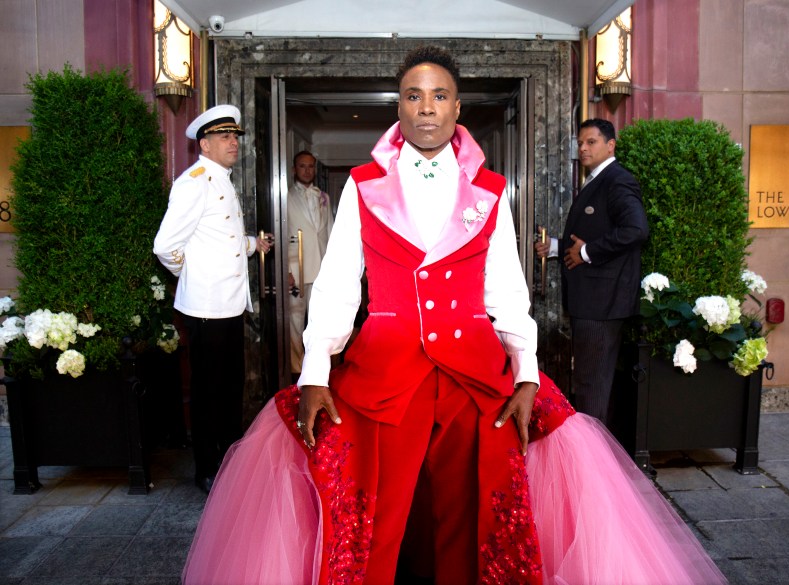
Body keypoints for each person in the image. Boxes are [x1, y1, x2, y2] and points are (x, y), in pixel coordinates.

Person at [182, 49, 725, 585]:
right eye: (413, 96)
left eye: (438, 95)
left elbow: (507, 286)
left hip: (474, 372)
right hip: (386, 369)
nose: (426, 107)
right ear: (398, 108)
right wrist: (316, 371)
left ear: (457, 108)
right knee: (376, 516)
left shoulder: (490, 191)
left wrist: (528, 371)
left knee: (477, 517)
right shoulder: (363, 184)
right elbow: (339, 279)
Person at [153, 105, 273, 495]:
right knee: (208, 394)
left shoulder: (221, 179)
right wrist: (193, 276)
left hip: (230, 305)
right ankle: (206, 469)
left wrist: (255, 244)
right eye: (224, 137)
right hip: (206, 308)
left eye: (235, 136)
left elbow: (222, 239)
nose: (233, 143)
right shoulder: (195, 182)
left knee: (229, 388)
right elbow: (166, 246)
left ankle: (227, 460)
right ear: (204, 144)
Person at [535, 118, 649, 423]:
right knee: (589, 383)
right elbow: (594, 232)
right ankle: (595, 457)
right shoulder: (598, 179)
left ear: (610, 145)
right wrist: (558, 248)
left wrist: (587, 252)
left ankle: (593, 463)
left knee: (592, 387)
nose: (583, 148)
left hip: (603, 303)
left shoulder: (617, 179)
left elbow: (636, 229)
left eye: (591, 142)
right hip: (594, 301)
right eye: (580, 143)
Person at [287, 150, 334, 374]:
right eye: (303, 166)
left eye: (311, 166)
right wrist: (286, 270)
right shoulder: (285, 197)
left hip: (322, 268)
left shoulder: (323, 197)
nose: (307, 170)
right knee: (295, 321)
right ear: (295, 169)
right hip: (297, 268)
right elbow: (283, 234)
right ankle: (297, 369)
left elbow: (331, 233)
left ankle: (318, 367)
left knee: (320, 320)